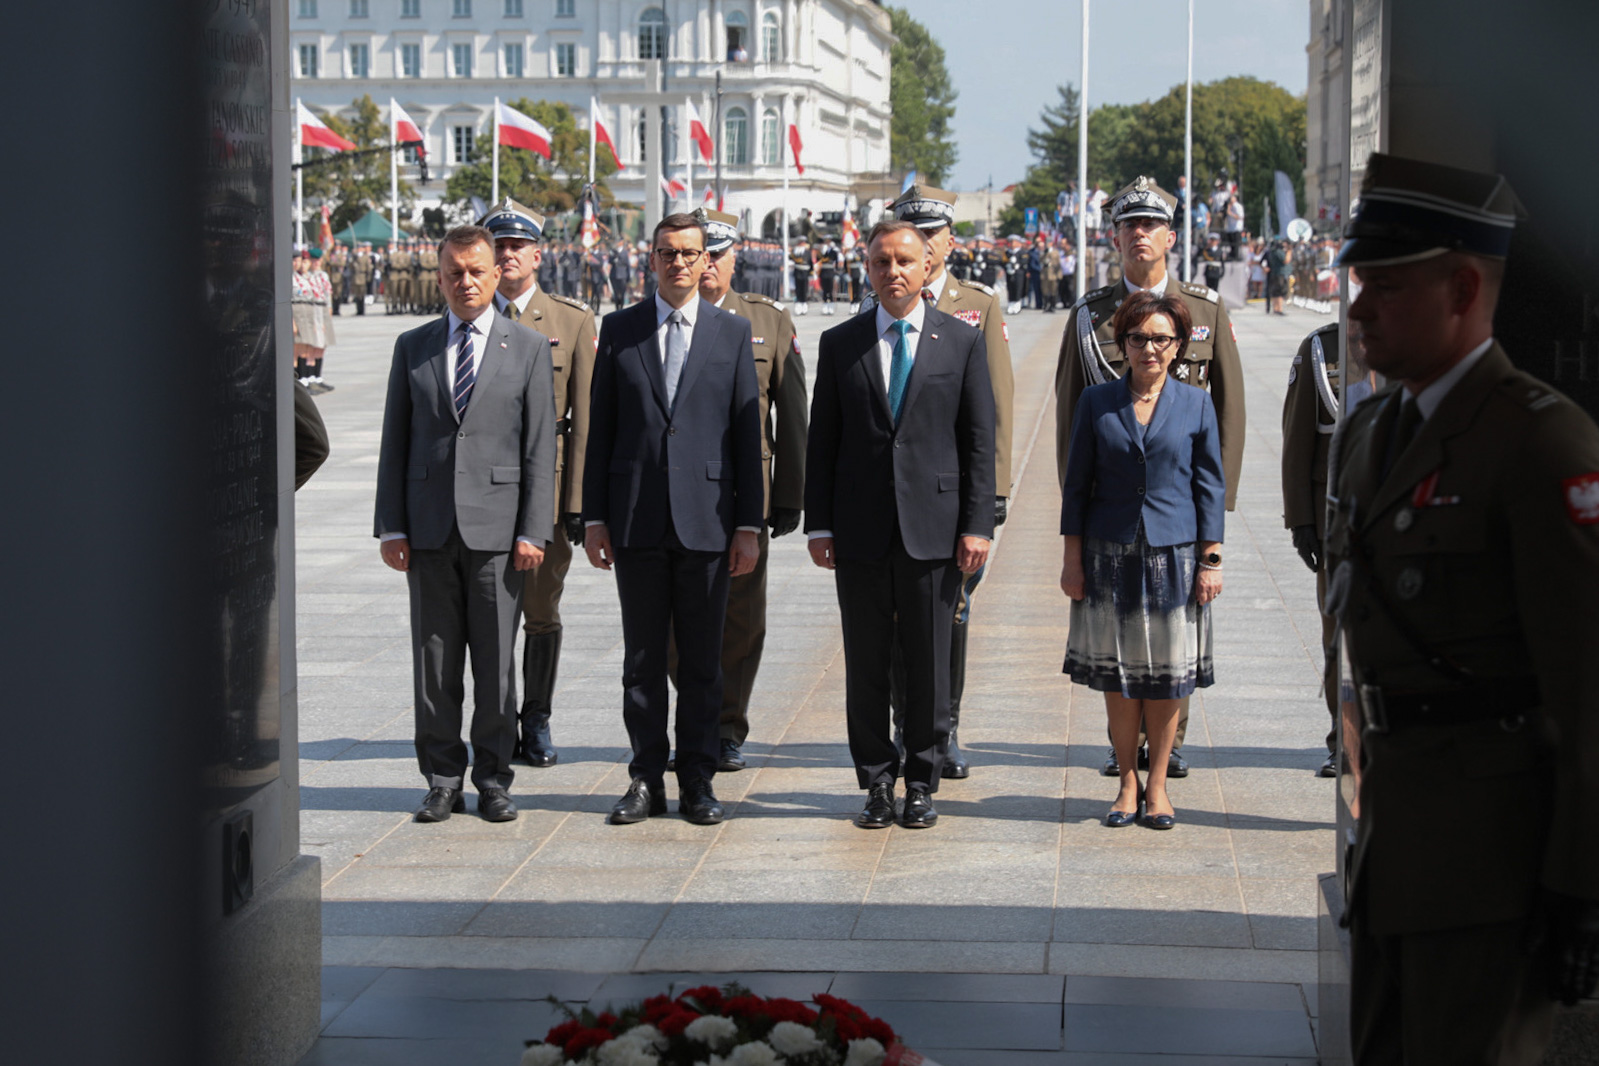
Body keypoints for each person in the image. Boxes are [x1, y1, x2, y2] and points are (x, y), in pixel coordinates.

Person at [1326, 154, 1599, 1064]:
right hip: (1393, 843)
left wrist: (1579, 881)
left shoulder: (1539, 440)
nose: (1359, 308)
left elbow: (1587, 690)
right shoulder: (1372, 430)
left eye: (1387, 286)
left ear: (1463, 289)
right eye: (1360, 283)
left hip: (1495, 866)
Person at [804, 219, 995, 830]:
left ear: (927, 266)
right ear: (868, 268)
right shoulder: (841, 343)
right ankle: (877, 782)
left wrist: (977, 525)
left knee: (929, 661)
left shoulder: (961, 341)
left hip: (934, 529)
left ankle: (921, 780)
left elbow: (978, 441)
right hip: (860, 530)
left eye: (905, 261)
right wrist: (819, 525)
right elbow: (823, 440)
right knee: (866, 662)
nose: (893, 272)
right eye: (882, 261)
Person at [1056, 176, 1245, 779]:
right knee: (1118, 632)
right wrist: (1075, 513)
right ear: (1114, 237)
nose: (1140, 234)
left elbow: (1227, 411)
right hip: (1111, 508)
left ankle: (1168, 743)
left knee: (1173, 634)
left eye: (1151, 225)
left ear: (1170, 237)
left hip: (1177, 508)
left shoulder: (1206, 310)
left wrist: (1215, 518)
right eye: (1129, 225)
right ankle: (1124, 746)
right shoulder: (1089, 315)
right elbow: (1070, 412)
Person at [582, 213, 764, 827]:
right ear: (651, 259)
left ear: (706, 260)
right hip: (636, 519)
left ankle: (697, 778)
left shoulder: (731, 332)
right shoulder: (620, 329)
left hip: (708, 521)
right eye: (668, 253)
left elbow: (746, 436)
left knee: (703, 661)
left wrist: (749, 525)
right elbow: (601, 430)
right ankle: (645, 777)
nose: (679, 263)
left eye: (690, 253)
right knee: (641, 660)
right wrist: (594, 518)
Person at [373, 225, 558, 824]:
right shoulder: (414, 346)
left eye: (477, 271)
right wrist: (391, 526)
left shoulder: (527, 347)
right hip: (429, 530)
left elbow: (539, 447)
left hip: (499, 533)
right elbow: (395, 440)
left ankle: (494, 778)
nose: (466, 282)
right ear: (440, 277)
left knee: (496, 664)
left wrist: (533, 529)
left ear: (497, 273)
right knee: (434, 665)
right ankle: (442, 778)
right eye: (455, 272)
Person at [1060, 289, 1224, 829]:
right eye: (1137, 338)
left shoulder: (1197, 404)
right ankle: (1127, 782)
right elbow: (1076, 487)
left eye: (1160, 339)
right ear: (1122, 344)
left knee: (1169, 677)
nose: (1149, 348)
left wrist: (1211, 560)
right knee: (1119, 675)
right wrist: (1072, 560)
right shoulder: (1096, 402)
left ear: (1178, 346)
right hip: (1109, 555)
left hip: (1175, 557)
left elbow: (1209, 487)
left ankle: (1158, 787)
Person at [869, 184, 1015, 779]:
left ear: (950, 242)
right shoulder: (879, 298)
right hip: (890, 498)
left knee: (950, 613)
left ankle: (944, 725)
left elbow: (994, 407)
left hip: (951, 498)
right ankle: (904, 722)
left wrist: (993, 494)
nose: (923, 245)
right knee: (894, 620)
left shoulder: (976, 305)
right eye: (914, 232)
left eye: (932, 234)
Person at [667, 208, 808, 771]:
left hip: (745, 495)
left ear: (730, 260)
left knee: (741, 618)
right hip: (675, 493)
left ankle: (728, 725)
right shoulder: (659, 318)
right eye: (699, 254)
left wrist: (791, 495)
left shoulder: (766, 320)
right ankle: (694, 716)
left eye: (717, 255)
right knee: (674, 622)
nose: (706, 266)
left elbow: (792, 414)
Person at [480, 198, 598, 769]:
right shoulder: (469, 314)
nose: (507, 255)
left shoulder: (570, 321)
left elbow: (585, 418)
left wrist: (577, 501)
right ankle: (497, 720)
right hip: (480, 487)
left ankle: (538, 718)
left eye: (516, 247)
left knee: (540, 609)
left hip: (543, 491)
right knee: (486, 613)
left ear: (536, 255)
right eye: (498, 246)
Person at [1279, 321, 1369, 778]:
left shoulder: (1420, 335)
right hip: (1337, 520)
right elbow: (1298, 440)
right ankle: (1344, 739)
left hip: (1400, 518)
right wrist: (1301, 520)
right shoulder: (1323, 347)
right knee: (1339, 638)